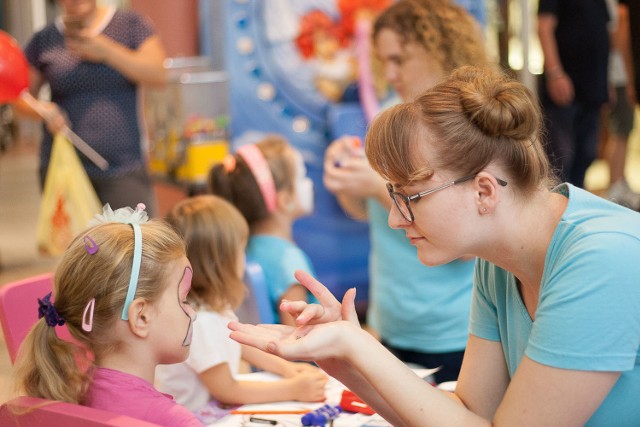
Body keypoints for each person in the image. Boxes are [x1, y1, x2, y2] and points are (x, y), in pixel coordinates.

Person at [229, 66, 640, 426]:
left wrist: (361, 348)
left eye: (410, 196)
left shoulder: (602, 258)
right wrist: (348, 360)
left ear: (484, 191)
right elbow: (466, 414)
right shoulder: (497, 261)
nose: (394, 217)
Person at [322, 0, 488, 383]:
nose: (391, 73)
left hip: (454, 328)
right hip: (390, 321)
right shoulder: (391, 112)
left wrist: (379, 188)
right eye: (384, 61)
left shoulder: (468, 120)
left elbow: (470, 244)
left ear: (436, 49)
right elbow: (371, 215)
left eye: (400, 59)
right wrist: (347, 177)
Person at [11, 203, 202, 426]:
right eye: (184, 299)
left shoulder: (69, 393)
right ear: (141, 317)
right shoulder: (172, 421)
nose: (193, 313)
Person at [155, 195, 327, 422]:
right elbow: (226, 389)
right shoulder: (199, 321)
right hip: (194, 419)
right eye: (241, 250)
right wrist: (292, 388)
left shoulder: (213, 305)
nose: (245, 259)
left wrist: (286, 369)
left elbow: (238, 341)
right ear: (222, 262)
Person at [16, 0, 166, 216]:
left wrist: (107, 51)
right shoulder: (45, 39)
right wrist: (43, 111)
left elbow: (158, 75)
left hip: (123, 166)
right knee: (76, 247)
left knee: (135, 243)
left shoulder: (130, 25)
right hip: (64, 168)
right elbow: (21, 98)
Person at [208, 135, 317, 326]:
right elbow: (298, 341)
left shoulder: (245, 247)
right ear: (285, 200)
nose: (309, 183)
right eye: (301, 176)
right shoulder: (289, 262)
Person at [537, 0, 611, 188]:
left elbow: (602, 32)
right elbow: (544, 27)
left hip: (593, 89)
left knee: (586, 155)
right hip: (565, 88)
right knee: (561, 159)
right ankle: (558, 210)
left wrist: (605, 81)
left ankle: (575, 206)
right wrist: (555, 73)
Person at [604, 0, 640, 209]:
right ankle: (615, 184)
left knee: (624, 128)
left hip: (618, 74)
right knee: (621, 128)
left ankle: (619, 181)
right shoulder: (617, 6)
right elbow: (619, 35)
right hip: (619, 75)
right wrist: (629, 75)